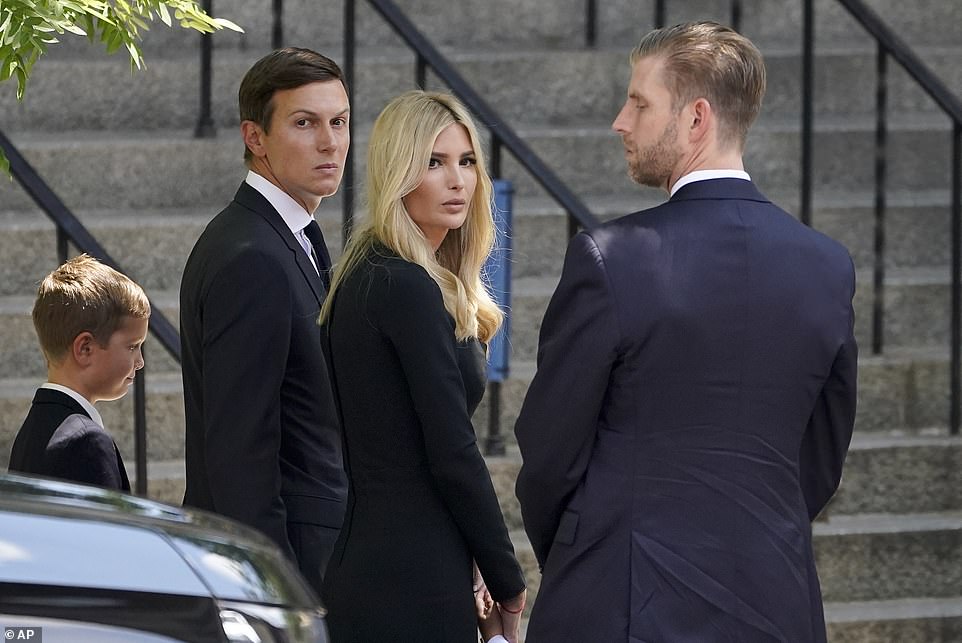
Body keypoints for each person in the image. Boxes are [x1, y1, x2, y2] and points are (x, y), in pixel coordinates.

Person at [514, 21, 858, 642]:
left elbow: (549, 451)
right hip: (774, 599)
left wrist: (587, 548)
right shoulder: (828, 267)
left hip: (624, 599)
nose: (621, 120)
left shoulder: (611, 257)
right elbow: (819, 462)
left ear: (696, 118)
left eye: (640, 102)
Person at [319, 90, 526, 642]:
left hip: (387, 564)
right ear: (399, 172)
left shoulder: (371, 272)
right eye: (434, 162)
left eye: (467, 162)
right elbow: (451, 449)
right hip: (407, 583)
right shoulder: (402, 285)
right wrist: (507, 575)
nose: (458, 180)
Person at [179, 47, 348, 595]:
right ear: (255, 137)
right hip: (282, 567)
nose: (331, 142)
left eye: (339, 122)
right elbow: (240, 453)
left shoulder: (290, 234)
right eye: (305, 123)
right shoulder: (250, 254)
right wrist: (278, 594)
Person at [9, 254, 150, 491]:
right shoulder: (86, 442)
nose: (140, 362)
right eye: (132, 346)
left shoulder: (33, 429)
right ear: (85, 349)